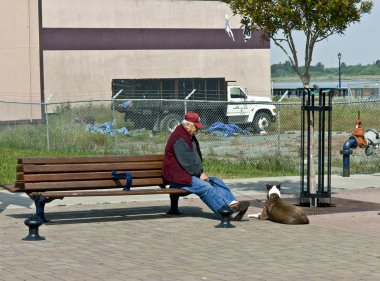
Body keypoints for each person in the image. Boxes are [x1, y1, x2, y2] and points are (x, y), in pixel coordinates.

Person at [163, 112, 250, 220]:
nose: (197, 129)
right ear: (187, 125)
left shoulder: (188, 135)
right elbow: (187, 162)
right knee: (206, 188)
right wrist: (199, 173)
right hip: (178, 178)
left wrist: (200, 173)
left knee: (217, 181)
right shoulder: (179, 138)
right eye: (196, 126)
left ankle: (233, 204)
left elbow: (193, 159)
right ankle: (224, 213)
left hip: (186, 175)